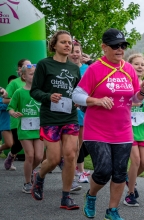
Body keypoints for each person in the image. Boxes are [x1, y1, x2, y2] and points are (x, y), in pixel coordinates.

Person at [72, 28, 144, 220]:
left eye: (123, 46)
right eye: (115, 46)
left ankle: (112, 211)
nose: (120, 49)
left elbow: (134, 100)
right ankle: (91, 195)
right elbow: (76, 95)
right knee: (103, 170)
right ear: (104, 47)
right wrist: (96, 101)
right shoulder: (95, 69)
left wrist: (142, 93)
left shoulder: (129, 69)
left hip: (123, 130)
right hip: (96, 129)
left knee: (119, 172)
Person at [30, 30, 81, 210]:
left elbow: (78, 92)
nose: (68, 45)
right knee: (53, 159)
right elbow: (34, 91)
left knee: (70, 154)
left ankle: (66, 197)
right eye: (63, 42)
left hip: (70, 117)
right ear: (54, 45)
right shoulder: (44, 64)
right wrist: (48, 96)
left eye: (70, 43)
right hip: (50, 118)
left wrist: (78, 101)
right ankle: (39, 177)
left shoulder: (75, 68)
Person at [123, 53, 144, 207]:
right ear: (129, 66)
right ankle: (130, 194)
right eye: (136, 64)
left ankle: (129, 179)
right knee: (135, 160)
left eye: (142, 64)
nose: (140, 67)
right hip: (127, 127)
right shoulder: (125, 84)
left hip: (142, 127)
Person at [7, 65, 44, 193]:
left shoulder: (41, 91)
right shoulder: (19, 92)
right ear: (24, 76)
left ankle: (31, 171)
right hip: (24, 129)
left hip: (39, 128)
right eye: (31, 74)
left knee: (39, 157)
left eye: (36, 74)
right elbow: (10, 107)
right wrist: (13, 113)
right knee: (30, 155)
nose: (34, 76)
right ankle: (27, 182)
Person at [68, 39, 90, 183]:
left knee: (79, 145)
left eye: (77, 52)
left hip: (83, 111)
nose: (75, 55)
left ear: (81, 54)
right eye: (72, 52)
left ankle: (77, 172)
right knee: (71, 147)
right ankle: (74, 174)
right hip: (67, 111)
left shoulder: (88, 69)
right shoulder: (64, 69)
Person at [3, 59, 31, 170]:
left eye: (30, 65)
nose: (29, 67)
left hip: (31, 117)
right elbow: (5, 100)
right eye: (26, 66)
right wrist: (18, 100)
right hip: (17, 118)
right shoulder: (15, 83)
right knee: (19, 144)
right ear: (20, 69)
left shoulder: (34, 81)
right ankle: (11, 156)